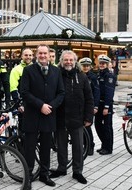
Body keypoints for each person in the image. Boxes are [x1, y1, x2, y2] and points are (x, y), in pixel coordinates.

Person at [20, 44, 65, 188]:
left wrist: (50, 106)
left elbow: (61, 93)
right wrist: (41, 105)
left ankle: (44, 174)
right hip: (32, 115)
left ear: (49, 55)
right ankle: (28, 177)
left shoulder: (56, 71)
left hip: (49, 115)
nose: (43, 56)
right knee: (29, 148)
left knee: (46, 147)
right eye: (40, 53)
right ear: (36, 55)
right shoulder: (28, 70)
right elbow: (24, 92)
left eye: (45, 53)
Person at [50, 50, 94, 184]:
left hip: (77, 117)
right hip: (61, 117)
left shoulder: (82, 76)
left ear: (75, 62)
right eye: (66, 60)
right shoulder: (56, 75)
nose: (68, 62)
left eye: (71, 60)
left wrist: (88, 117)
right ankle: (62, 168)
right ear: (61, 61)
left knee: (78, 147)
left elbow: (89, 98)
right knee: (61, 146)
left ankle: (77, 171)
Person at [94, 54, 116, 155]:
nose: (102, 65)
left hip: (106, 104)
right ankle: (104, 144)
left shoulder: (109, 76)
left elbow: (109, 92)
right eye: (100, 63)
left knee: (107, 126)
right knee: (98, 125)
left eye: (104, 63)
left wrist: (107, 106)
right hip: (99, 103)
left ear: (107, 64)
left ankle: (108, 148)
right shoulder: (99, 74)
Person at [79, 57, 100, 156]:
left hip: (89, 105)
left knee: (87, 127)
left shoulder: (93, 77)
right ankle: (84, 145)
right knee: (81, 127)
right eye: (84, 66)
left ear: (90, 66)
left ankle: (90, 146)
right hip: (80, 106)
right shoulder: (78, 75)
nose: (86, 67)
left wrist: (95, 106)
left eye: (87, 66)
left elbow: (96, 92)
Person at [9, 48, 34, 130]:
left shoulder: (36, 68)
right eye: (26, 55)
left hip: (36, 103)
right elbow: (13, 88)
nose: (28, 57)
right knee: (24, 129)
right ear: (22, 56)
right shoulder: (16, 70)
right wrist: (19, 104)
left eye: (30, 55)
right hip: (23, 104)